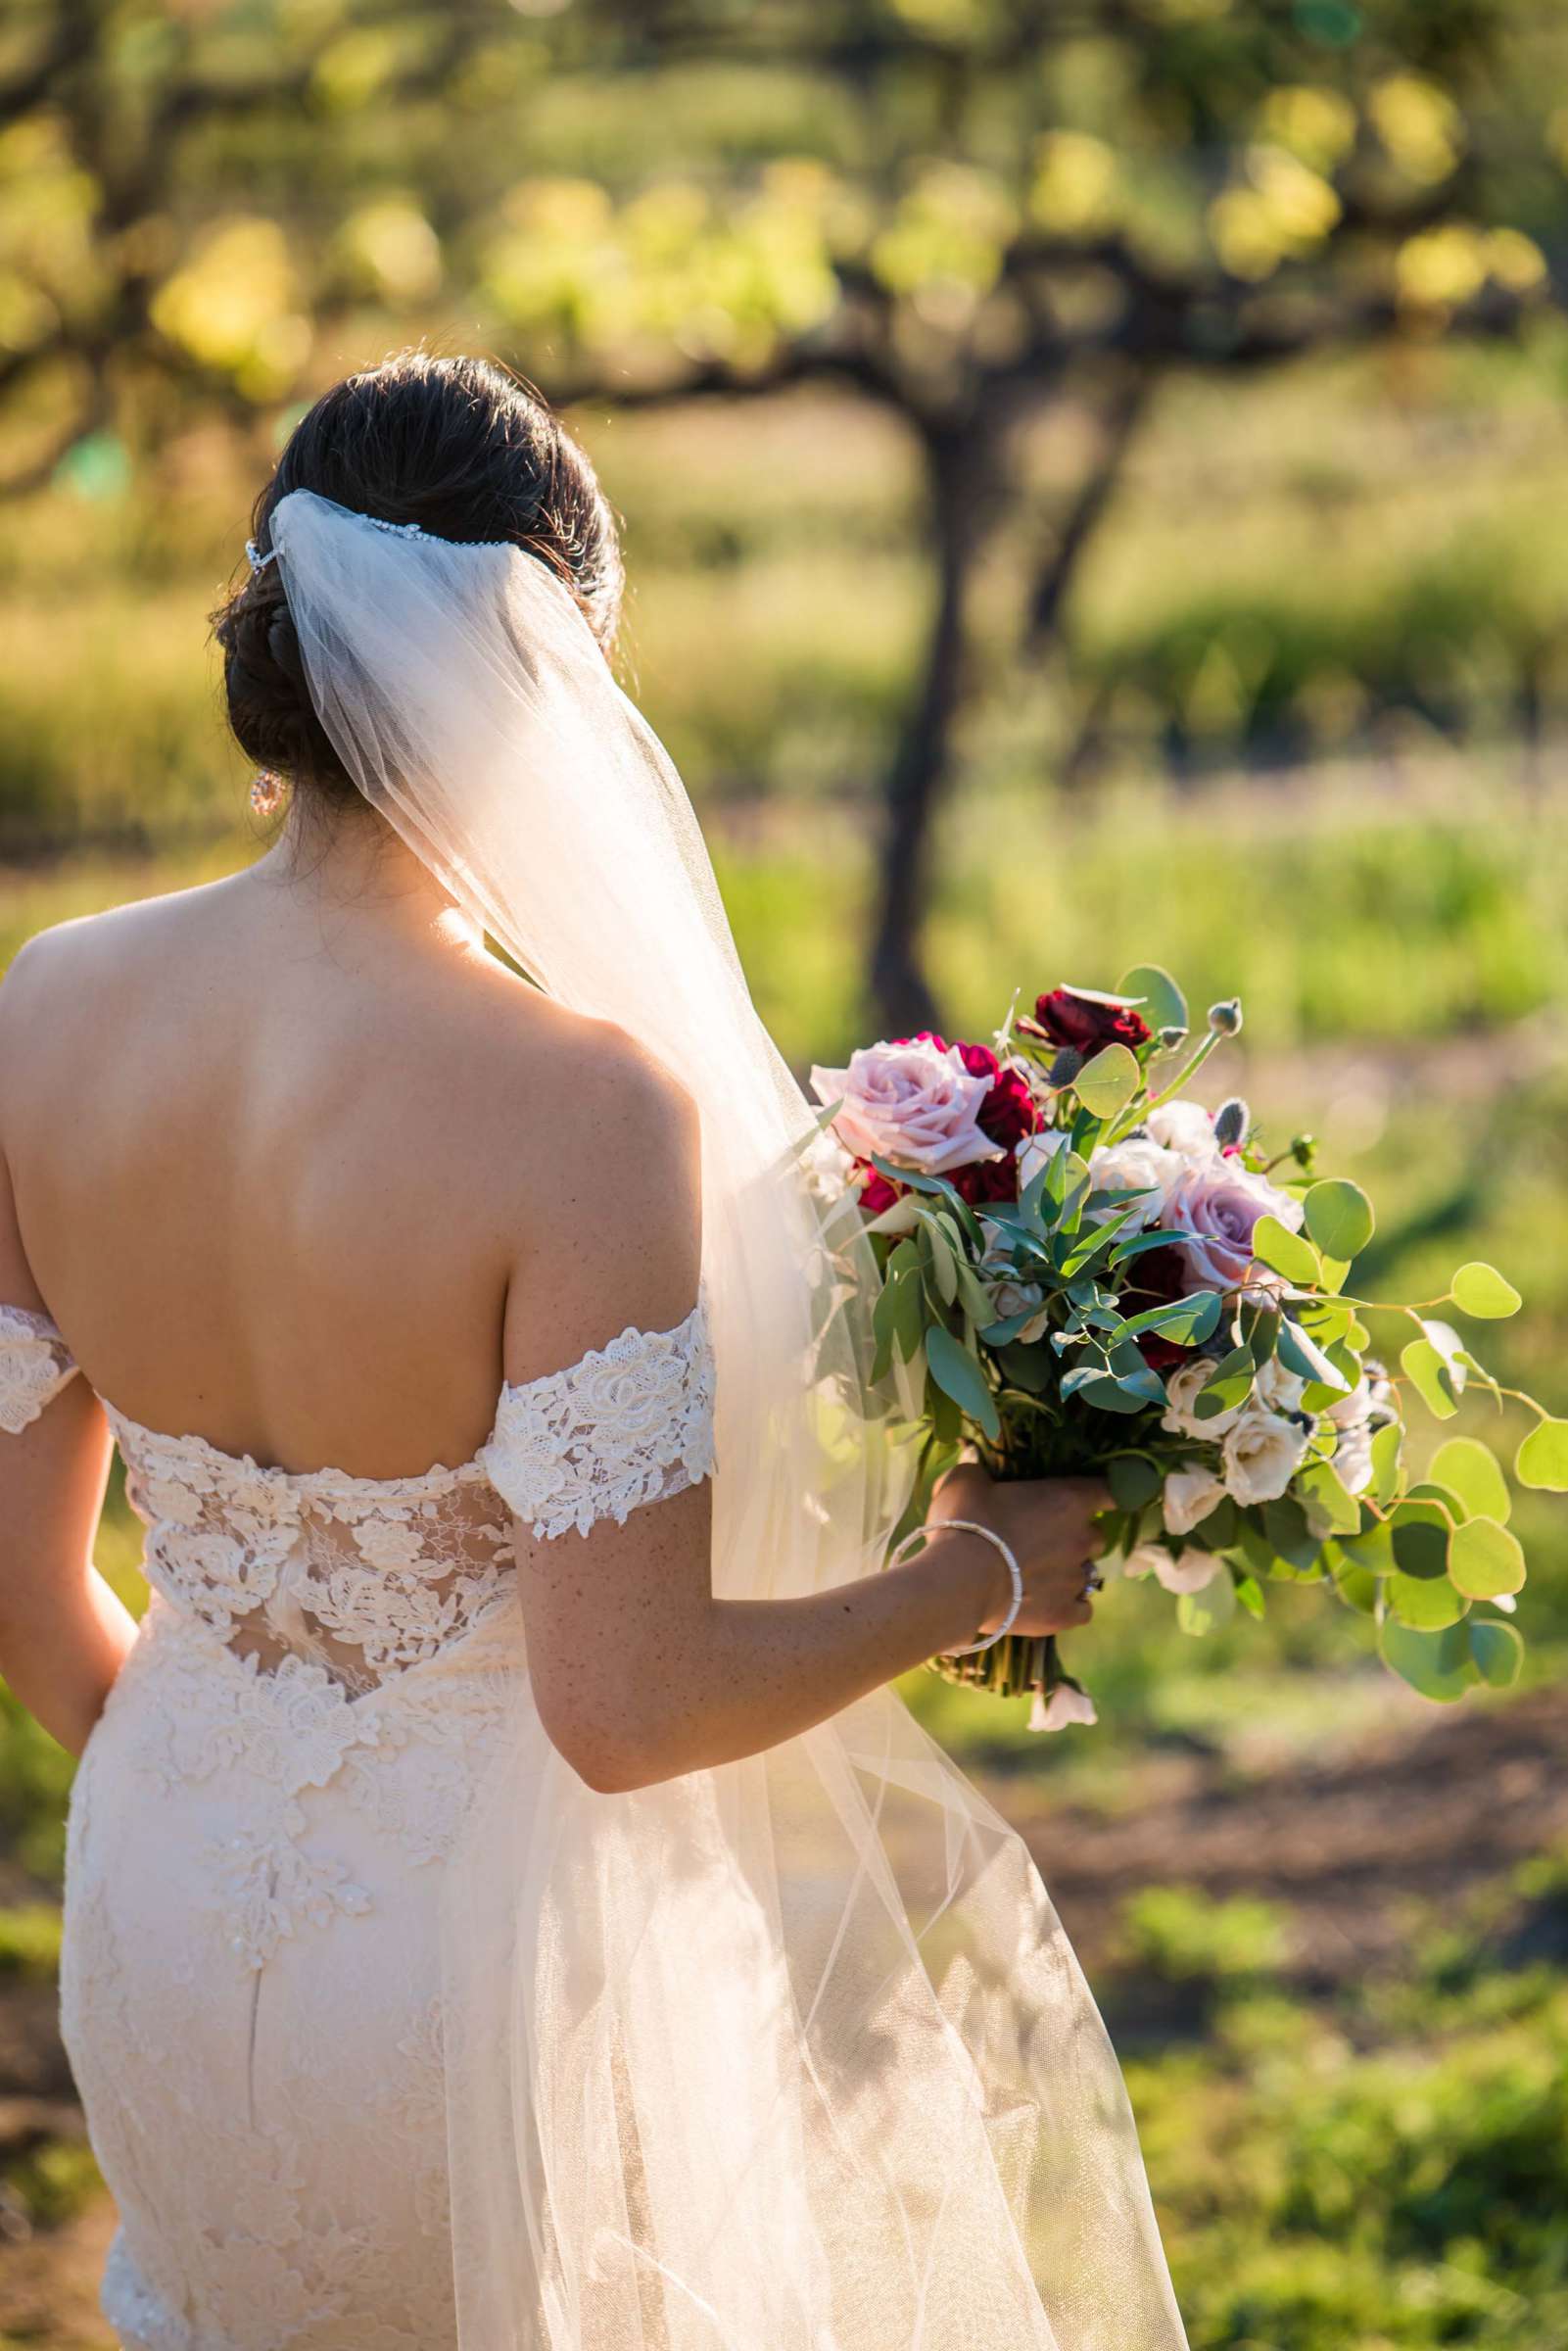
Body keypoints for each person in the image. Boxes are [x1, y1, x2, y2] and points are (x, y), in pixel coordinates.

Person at [0, 350, 1187, 2349]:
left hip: (160, 1908)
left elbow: (40, 1623)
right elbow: (625, 1710)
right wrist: (983, 1572)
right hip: (476, 1978)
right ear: (542, 686)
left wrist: (241, 1779)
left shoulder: (45, 1001)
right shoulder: (583, 1111)